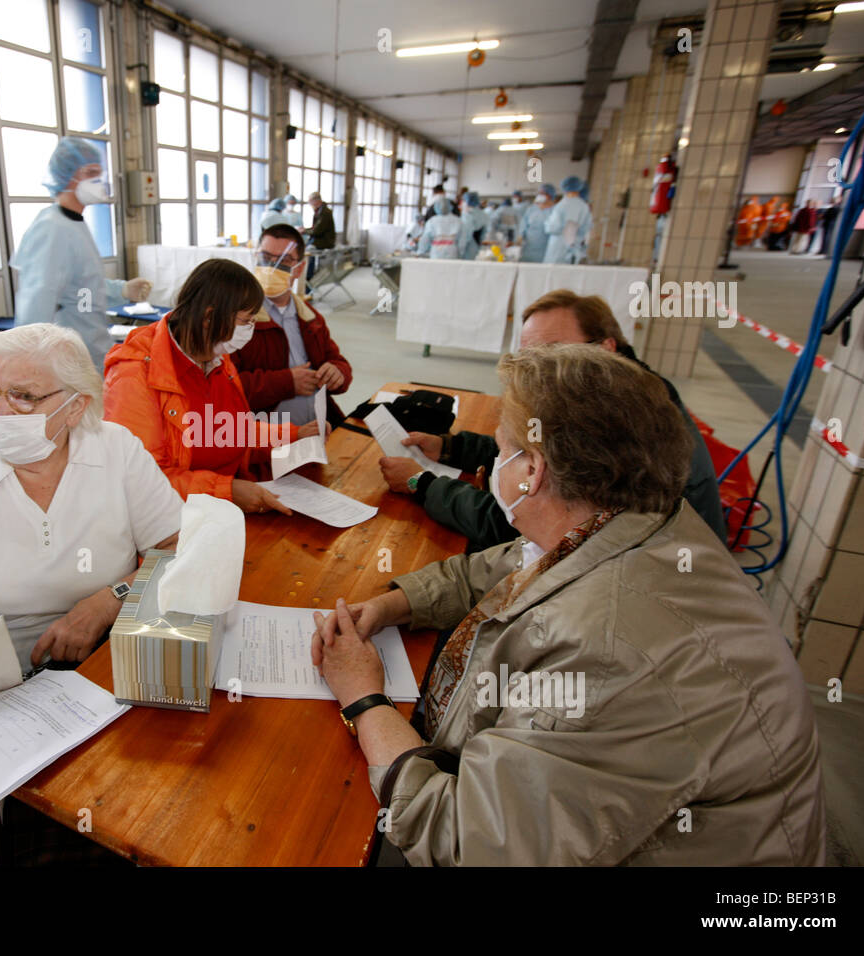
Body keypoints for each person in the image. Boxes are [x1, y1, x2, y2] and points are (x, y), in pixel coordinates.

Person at [312, 345, 825, 866]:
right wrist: (391, 606)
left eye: (500, 449)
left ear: (531, 471)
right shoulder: (630, 522)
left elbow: (474, 842)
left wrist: (364, 700)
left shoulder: (606, 653)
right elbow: (499, 567)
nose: (491, 465)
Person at [0, 323, 182, 673]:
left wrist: (110, 600)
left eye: (23, 396)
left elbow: (177, 546)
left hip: (111, 651)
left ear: (76, 406)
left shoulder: (115, 449)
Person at [379, 289, 729, 549]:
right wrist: (452, 447)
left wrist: (421, 484)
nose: (536, 371)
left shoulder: (614, 422)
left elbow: (515, 527)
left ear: (605, 348)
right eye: (529, 356)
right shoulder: (619, 389)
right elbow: (530, 457)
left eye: (552, 352)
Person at [103, 258, 320, 512]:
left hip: (226, 507)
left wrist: (294, 435)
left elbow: (231, 430)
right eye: (246, 320)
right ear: (209, 316)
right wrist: (225, 491)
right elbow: (141, 481)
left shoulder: (214, 353)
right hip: (173, 526)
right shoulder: (134, 376)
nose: (251, 329)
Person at [10, 137, 151, 372]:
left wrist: (122, 290)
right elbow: (37, 301)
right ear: (67, 176)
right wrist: (26, 365)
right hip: (67, 360)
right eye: (90, 172)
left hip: (89, 350)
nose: (99, 180)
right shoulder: (52, 228)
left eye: (100, 172)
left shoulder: (75, 224)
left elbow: (82, 288)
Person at [230, 224, 353, 429]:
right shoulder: (236, 319)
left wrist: (337, 373)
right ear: (255, 258)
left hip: (319, 430)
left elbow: (338, 362)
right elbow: (225, 387)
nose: (271, 268)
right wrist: (286, 383)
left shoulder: (310, 318)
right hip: (264, 440)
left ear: (299, 269)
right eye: (265, 258)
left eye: (284, 261)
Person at [544, 176, 592, 263]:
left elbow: (553, 227)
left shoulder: (562, 205)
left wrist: (547, 223)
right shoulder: (584, 207)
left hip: (558, 249)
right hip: (575, 250)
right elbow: (586, 230)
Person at [417, 196, 473, 260]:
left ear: (436, 207)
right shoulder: (458, 221)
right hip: (452, 252)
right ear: (450, 207)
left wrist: (420, 252)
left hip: (436, 252)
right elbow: (462, 242)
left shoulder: (431, 221)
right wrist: (461, 255)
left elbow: (425, 240)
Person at [303, 191, 336, 283]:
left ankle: (308, 277)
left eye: (310, 202)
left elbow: (317, 231)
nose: (310, 204)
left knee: (308, 252)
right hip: (319, 239)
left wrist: (305, 231)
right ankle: (307, 276)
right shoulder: (319, 211)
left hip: (324, 241)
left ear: (316, 201)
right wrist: (306, 230)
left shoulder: (325, 212)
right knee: (305, 248)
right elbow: (316, 228)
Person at [518, 184, 556, 263]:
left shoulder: (555, 211)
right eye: (539, 193)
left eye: (542, 193)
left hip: (546, 249)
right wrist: (520, 236)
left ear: (549, 195)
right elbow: (523, 224)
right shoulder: (531, 209)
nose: (539, 195)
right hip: (528, 248)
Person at [459, 192, 489, 258]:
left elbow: (466, 236)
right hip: (478, 246)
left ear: (467, 201)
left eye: (463, 201)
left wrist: (460, 250)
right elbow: (485, 233)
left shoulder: (468, 215)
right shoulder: (483, 214)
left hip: (468, 249)